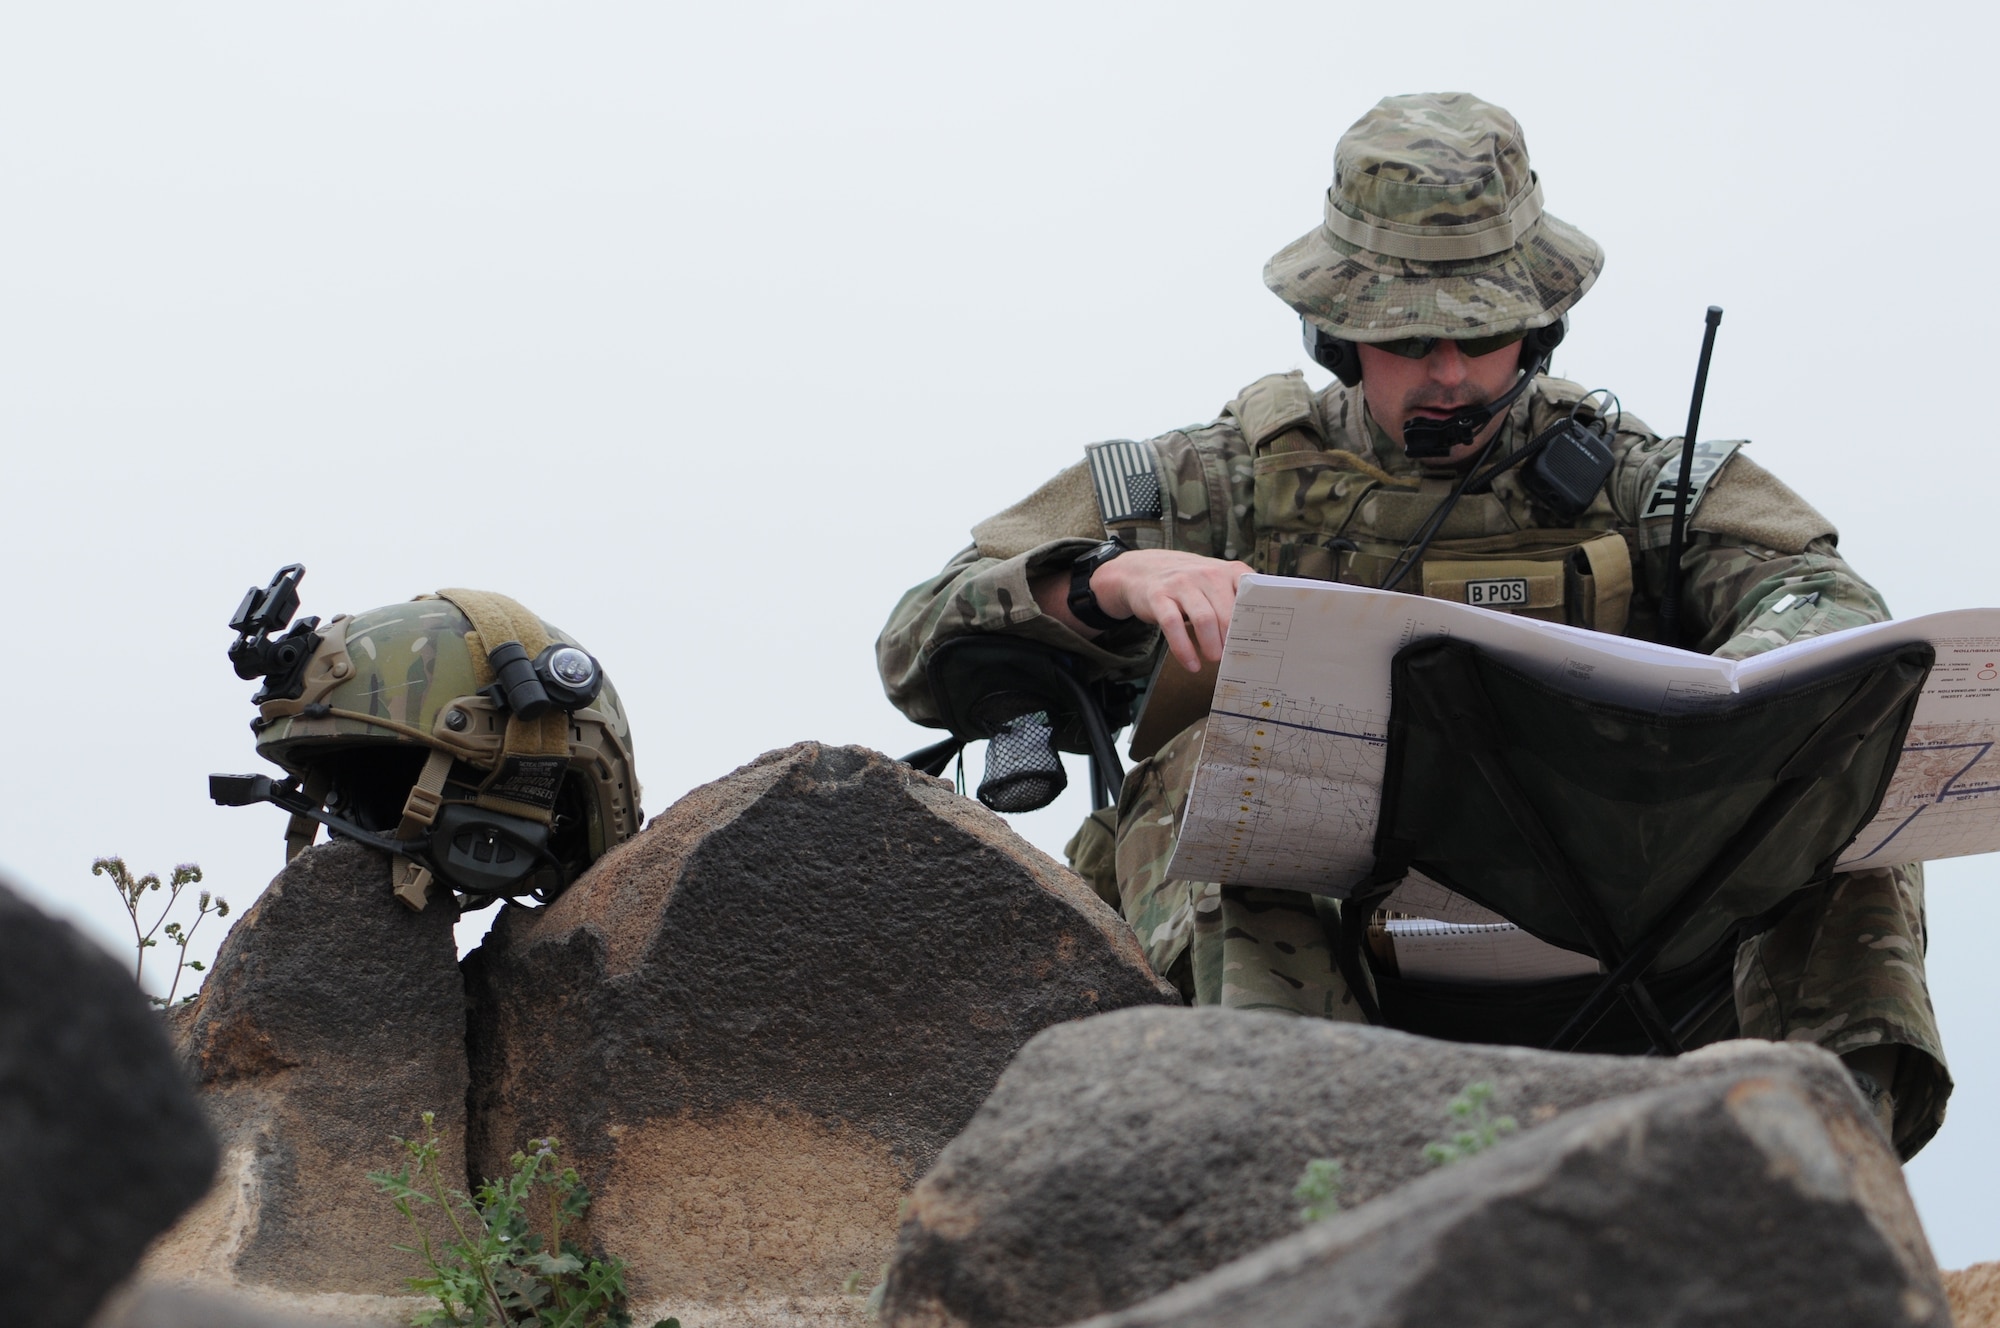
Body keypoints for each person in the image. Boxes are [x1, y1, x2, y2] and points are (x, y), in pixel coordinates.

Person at [875, 92, 1945, 1158]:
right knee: (1227, 765)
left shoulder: (1640, 486)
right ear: (1336, 337)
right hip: (1318, 947)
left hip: (1625, 928)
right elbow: (918, 639)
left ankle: (1818, 1179)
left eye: (1481, 339)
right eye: (1409, 338)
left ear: (1539, 327)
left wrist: (1737, 702)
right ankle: (1294, 1183)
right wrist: (1109, 577)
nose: (1449, 374)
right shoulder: (1218, 484)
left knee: (1846, 791)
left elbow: (1823, 602)